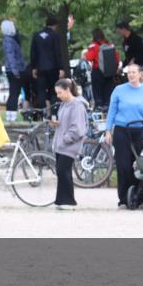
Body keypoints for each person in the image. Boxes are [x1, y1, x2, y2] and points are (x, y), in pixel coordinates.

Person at [105, 63, 143, 209]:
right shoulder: (119, 90)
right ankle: (123, 200)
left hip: (140, 131)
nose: (130, 75)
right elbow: (112, 111)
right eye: (128, 72)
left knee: (140, 166)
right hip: (122, 131)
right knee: (123, 166)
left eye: (133, 72)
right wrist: (108, 130)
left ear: (140, 74)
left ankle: (138, 199)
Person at [52, 78, 87, 210]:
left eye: (60, 92)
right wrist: (58, 124)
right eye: (57, 93)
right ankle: (61, 200)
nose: (58, 95)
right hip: (61, 143)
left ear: (68, 90)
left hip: (70, 144)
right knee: (61, 172)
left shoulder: (77, 105)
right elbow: (66, 122)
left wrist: (66, 139)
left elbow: (78, 128)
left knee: (64, 171)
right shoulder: (64, 104)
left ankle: (69, 201)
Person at [29, 16, 63, 109]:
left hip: (40, 68)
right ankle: (54, 112)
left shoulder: (36, 35)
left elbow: (33, 53)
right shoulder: (55, 35)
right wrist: (61, 67)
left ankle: (42, 113)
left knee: (41, 91)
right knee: (53, 90)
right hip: (53, 67)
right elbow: (57, 52)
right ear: (54, 25)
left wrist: (34, 67)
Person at [84, 28, 118, 109]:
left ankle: (99, 108)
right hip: (109, 73)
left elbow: (89, 57)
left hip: (97, 72)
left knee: (98, 92)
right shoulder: (110, 45)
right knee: (108, 92)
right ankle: (107, 107)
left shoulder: (94, 46)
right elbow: (116, 59)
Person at [1, 20, 27, 122]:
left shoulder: (10, 40)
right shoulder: (8, 40)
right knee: (14, 92)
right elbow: (10, 56)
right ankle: (11, 115)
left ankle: (11, 114)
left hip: (14, 69)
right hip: (14, 69)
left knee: (15, 92)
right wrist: (15, 70)